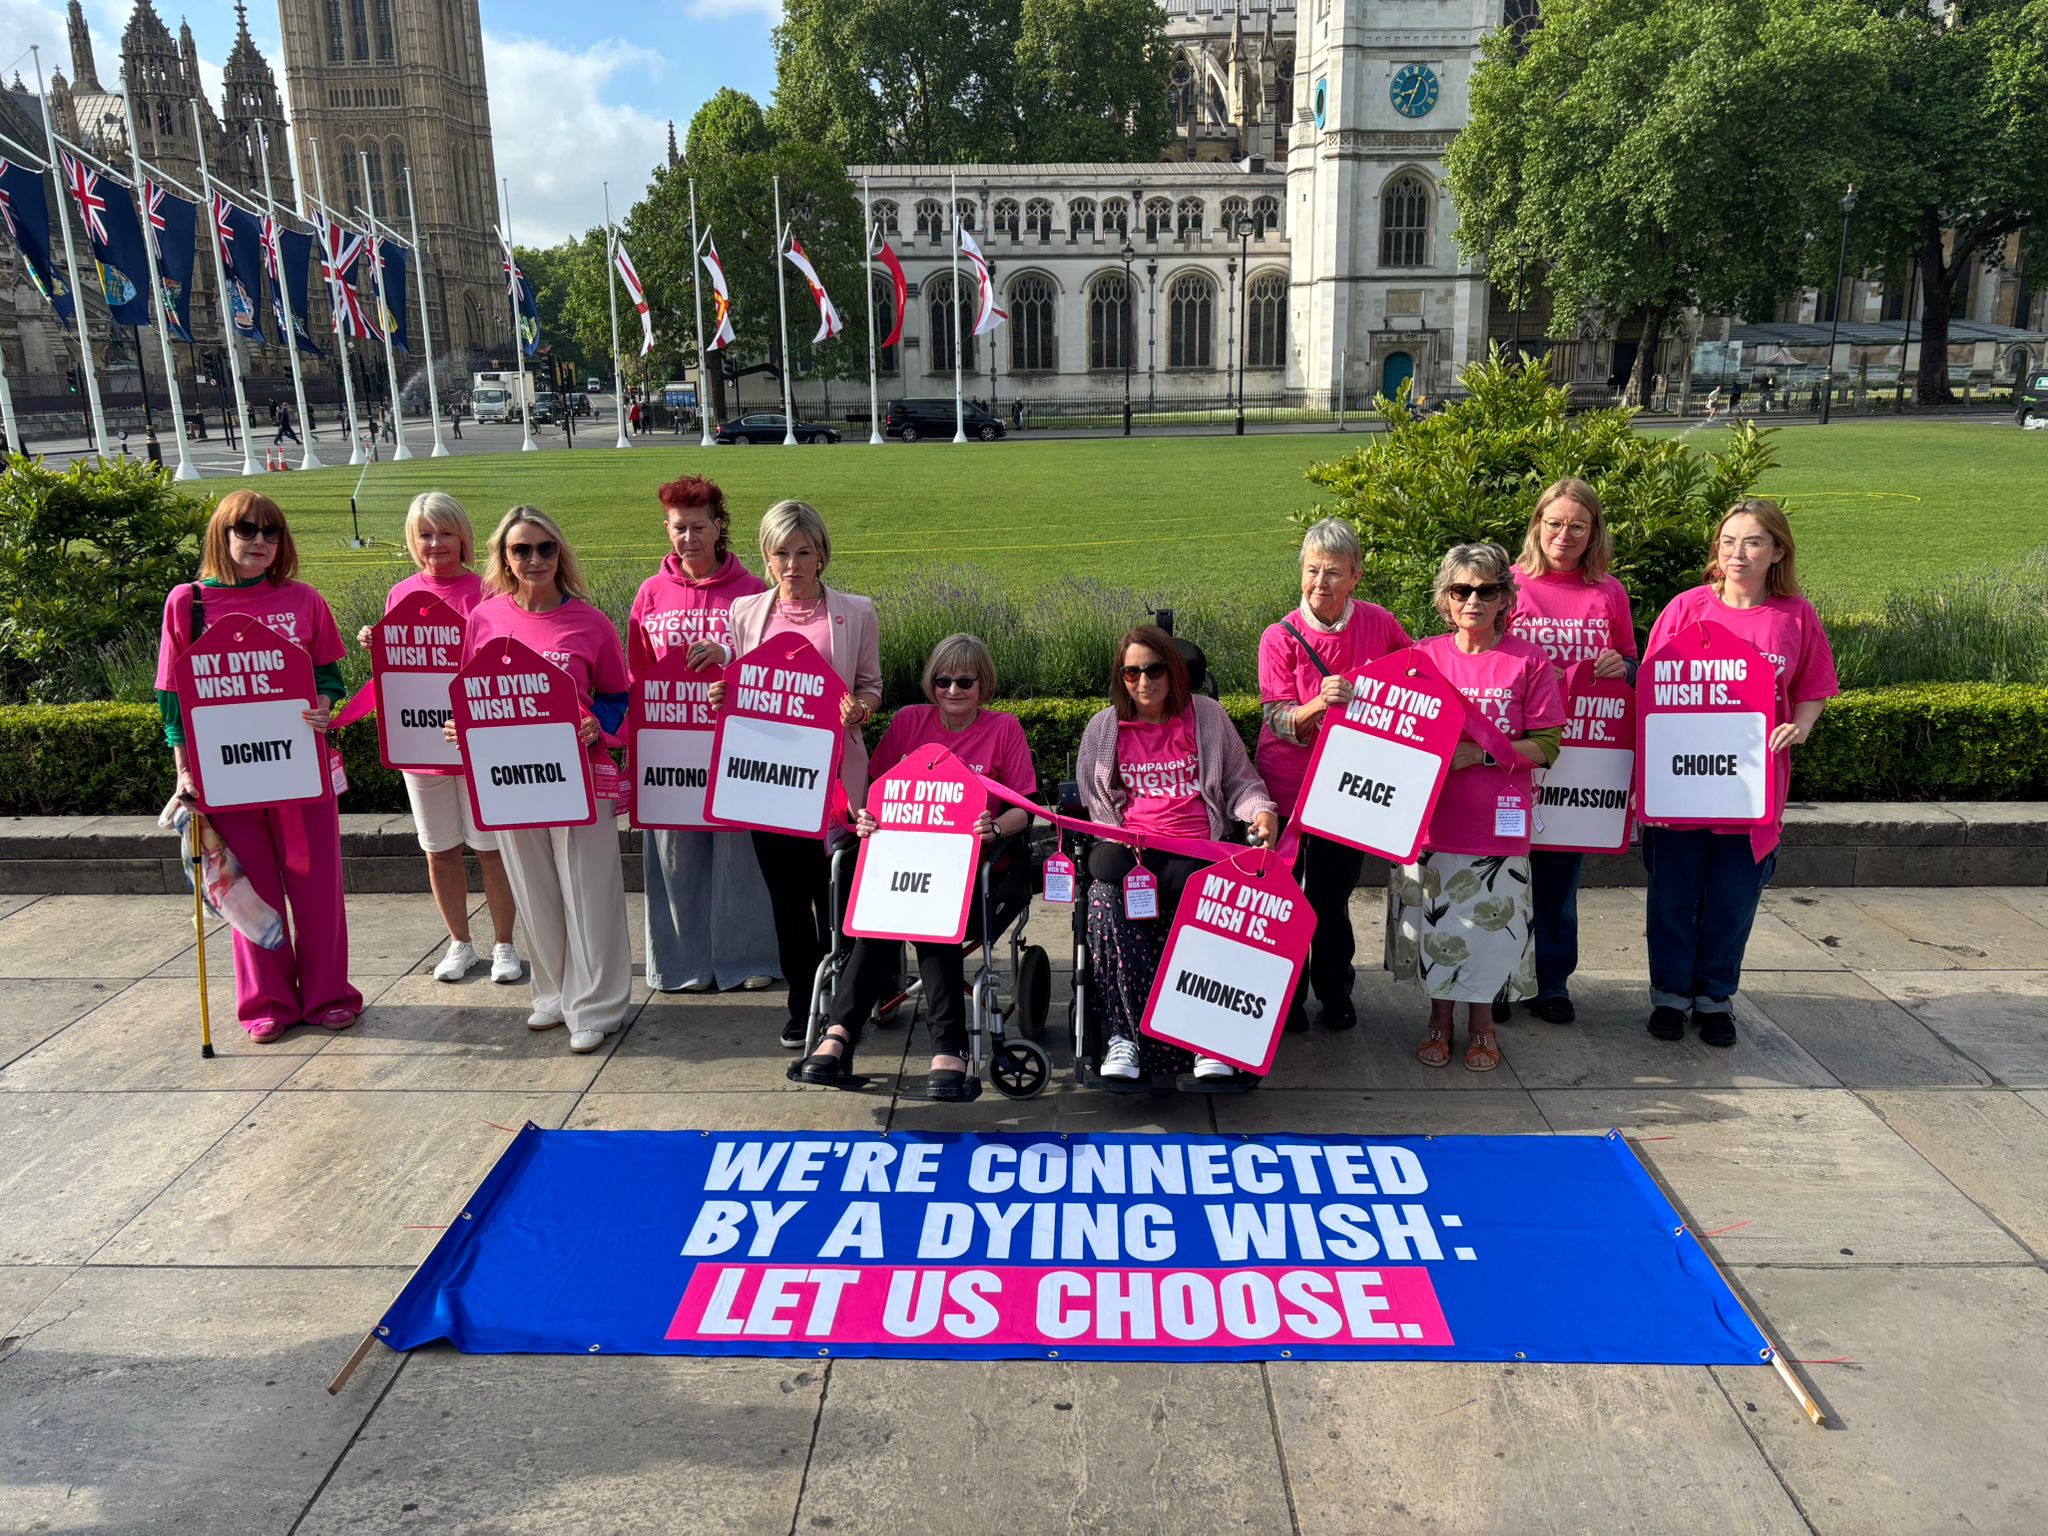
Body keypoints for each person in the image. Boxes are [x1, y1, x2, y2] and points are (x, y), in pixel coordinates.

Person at [154, 491, 362, 1042]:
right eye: (246, 530)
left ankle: (329, 995)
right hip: (227, 773)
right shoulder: (188, 603)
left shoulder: (302, 599)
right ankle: (265, 1001)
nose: (260, 543)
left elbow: (329, 677)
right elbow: (174, 700)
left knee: (317, 889)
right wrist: (183, 772)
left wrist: (324, 706)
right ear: (222, 536)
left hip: (300, 769)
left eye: (271, 533)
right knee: (249, 890)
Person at [795, 633, 1037, 1094]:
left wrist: (997, 828)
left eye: (964, 681)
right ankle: (851, 1036)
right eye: (943, 680)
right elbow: (874, 787)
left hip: (972, 870)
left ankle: (846, 1037)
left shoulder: (1004, 729)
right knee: (885, 915)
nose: (952, 690)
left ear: (983, 684)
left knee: (927, 917)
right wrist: (863, 817)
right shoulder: (909, 722)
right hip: (900, 865)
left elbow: (1025, 806)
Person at [1639, 499, 1837, 1047]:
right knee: (1673, 896)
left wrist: (1800, 727)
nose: (1737, 553)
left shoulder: (1795, 615)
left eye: (1752, 542)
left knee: (1732, 898)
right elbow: (1651, 694)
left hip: (1751, 789)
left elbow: (1814, 687)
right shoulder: (1686, 609)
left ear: (1777, 551)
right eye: (1728, 541)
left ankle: (1714, 997)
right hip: (1680, 787)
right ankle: (1671, 996)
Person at [456, 507, 633, 1052]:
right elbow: (469, 692)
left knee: (588, 889)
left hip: (580, 778)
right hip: (510, 779)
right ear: (504, 558)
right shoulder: (484, 619)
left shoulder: (590, 622)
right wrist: (457, 727)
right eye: (520, 550)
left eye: (544, 548)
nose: (534, 559)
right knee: (534, 889)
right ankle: (553, 993)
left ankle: (597, 1005)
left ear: (560, 553)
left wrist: (594, 725)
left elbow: (620, 698)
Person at [713, 500, 883, 1049]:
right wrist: (725, 694)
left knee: (836, 893)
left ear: (821, 555)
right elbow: (744, 689)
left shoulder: (856, 612)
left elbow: (872, 686)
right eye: (781, 552)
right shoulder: (746, 614)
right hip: (769, 782)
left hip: (836, 780)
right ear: (766, 557)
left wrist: (859, 708)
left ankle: (851, 1002)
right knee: (787, 902)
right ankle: (800, 1004)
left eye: (803, 552)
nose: (792, 564)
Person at [1388, 544, 1564, 1074]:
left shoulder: (1529, 662)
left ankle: (1483, 1024)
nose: (1473, 600)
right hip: (1431, 822)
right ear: (1444, 600)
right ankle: (1439, 1019)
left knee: (1488, 933)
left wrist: (1483, 753)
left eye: (1486, 589)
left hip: (1496, 827)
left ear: (1505, 598)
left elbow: (1548, 746)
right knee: (1439, 926)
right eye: (1461, 590)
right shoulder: (1422, 659)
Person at [1078, 625, 1279, 1083]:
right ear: (1120, 678)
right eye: (1132, 674)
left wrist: (1260, 814)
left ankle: (1205, 1039)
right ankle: (1126, 1036)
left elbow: (1241, 783)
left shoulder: (1205, 716)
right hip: (1133, 851)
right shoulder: (1103, 728)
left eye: (1154, 670)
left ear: (1173, 672)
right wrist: (1117, 839)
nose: (1144, 682)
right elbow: (1097, 803)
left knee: (1217, 897)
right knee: (1105, 900)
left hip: (1197, 847)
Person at [356, 493, 523, 987]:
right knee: (439, 849)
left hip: (479, 745)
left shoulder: (490, 590)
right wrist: (377, 643)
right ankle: (459, 943)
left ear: (464, 537)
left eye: (446, 533)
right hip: (423, 749)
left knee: (491, 850)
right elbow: (402, 677)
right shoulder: (400, 593)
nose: (436, 544)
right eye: (425, 534)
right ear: (414, 540)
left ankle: (504, 944)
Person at [626, 475, 781, 995]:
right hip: (670, 747)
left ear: (720, 527)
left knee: (744, 856)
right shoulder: (650, 593)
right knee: (675, 854)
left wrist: (729, 657)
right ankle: (683, 962)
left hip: (738, 743)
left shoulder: (754, 592)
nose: (688, 538)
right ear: (665, 529)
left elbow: (773, 670)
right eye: (678, 528)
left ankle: (751, 957)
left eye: (698, 527)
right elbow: (635, 675)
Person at [1256, 517, 1411, 1032]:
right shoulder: (1279, 637)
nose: (1321, 583)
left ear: (1356, 576)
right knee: (1285, 894)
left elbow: (1415, 678)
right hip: (1288, 785)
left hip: (1350, 786)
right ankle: (1287, 996)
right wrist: (1316, 704)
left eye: (1334, 573)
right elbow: (1276, 717)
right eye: (1312, 571)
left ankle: (1335, 988)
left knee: (1332, 895)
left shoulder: (1379, 622)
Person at [1509, 479, 1638, 1023]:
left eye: (1577, 526)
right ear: (1538, 524)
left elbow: (1636, 666)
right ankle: (1500, 978)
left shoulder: (1608, 591)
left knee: (1560, 877)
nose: (1564, 535)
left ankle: (1553, 980)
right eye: (1554, 522)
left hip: (1587, 752)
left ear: (1593, 534)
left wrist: (1622, 666)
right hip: (1515, 750)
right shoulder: (1507, 584)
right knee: (1506, 869)